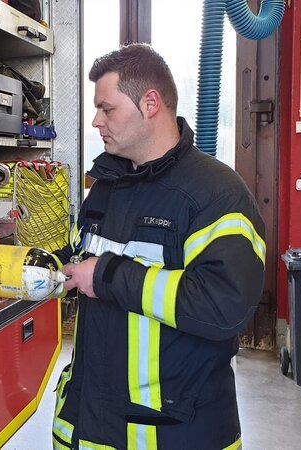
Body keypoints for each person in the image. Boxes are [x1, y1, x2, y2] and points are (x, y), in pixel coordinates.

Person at [50, 43, 266, 449]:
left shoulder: (217, 196)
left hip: (176, 433)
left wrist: (106, 276)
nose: (96, 121)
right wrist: (33, 272)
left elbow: (223, 307)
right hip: (91, 423)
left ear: (150, 103)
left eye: (107, 108)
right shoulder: (106, 187)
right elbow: (82, 258)